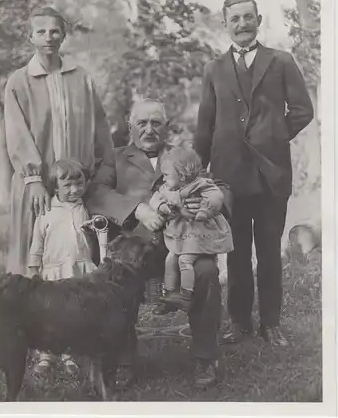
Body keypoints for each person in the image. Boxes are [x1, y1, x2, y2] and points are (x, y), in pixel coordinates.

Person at [85, 98, 233, 389]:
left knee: (204, 271)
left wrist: (207, 202)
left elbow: (221, 187)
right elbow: (96, 193)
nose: (149, 129)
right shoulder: (114, 157)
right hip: (135, 244)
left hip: (184, 243)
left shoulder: (183, 156)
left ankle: (205, 356)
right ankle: (123, 359)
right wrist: (137, 209)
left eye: (156, 123)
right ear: (130, 126)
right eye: (142, 123)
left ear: (167, 126)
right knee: (116, 277)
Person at [194, 0, 314, 346]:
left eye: (249, 17)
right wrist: (200, 172)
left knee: (269, 252)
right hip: (228, 177)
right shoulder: (214, 69)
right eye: (236, 19)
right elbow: (205, 125)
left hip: (271, 175)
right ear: (225, 24)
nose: (243, 24)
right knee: (237, 252)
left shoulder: (281, 61)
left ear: (259, 19)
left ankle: (271, 324)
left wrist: (274, 136)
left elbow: (303, 110)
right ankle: (239, 321)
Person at [4, 6, 115, 276]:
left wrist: (104, 169)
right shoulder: (19, 82)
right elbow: (17, 134)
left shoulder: (82, 78)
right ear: (30, 37)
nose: (48, 37)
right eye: (41, 31)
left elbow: (100, 127)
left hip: (77, 186)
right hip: (38, 185)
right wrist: (33, 181)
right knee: (36, 257)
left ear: (64, 36)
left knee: (79, 252)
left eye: (55, 31)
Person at [28, 159, 97, 375]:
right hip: (54, 270)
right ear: (55, 186)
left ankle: (69, 355)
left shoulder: (85, 209)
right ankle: (46, 355)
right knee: (50, 314)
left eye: (79, 184)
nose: (75, 190)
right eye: (67, 185)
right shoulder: (47, 211)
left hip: (77, 270)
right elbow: (37, 243)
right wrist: (33, 268)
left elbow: (90, 240)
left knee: (73, 314)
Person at [149, 146, 233, 312]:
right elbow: (155, 199)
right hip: (181, 233)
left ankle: (186, 296)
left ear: (181, 175)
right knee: (170, 258)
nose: (163, 179)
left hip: (198, 234)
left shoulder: (201, 185)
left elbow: (216, 197)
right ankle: (170, 292)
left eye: (166, 175)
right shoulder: (168, 189)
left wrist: (204, 210)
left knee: (184, 260)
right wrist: (162, 207)